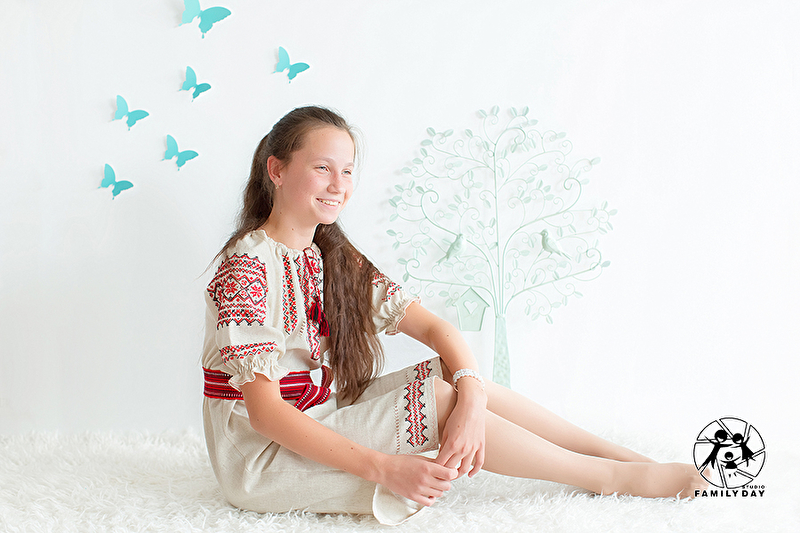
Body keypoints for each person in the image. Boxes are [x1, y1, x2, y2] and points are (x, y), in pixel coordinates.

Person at [201, 105, 707, 525]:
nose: (339, 185)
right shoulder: (246, 266)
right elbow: (265, 414)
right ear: (277, 170)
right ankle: (614, 479)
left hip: (319, 413)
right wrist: (385, 468)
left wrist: (473, 395)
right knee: (442, 398)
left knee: (455, 379)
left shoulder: (329, 254)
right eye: (322, 168)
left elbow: (435, 327)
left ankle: (620, 458)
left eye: (348, 170)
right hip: (258, 458)